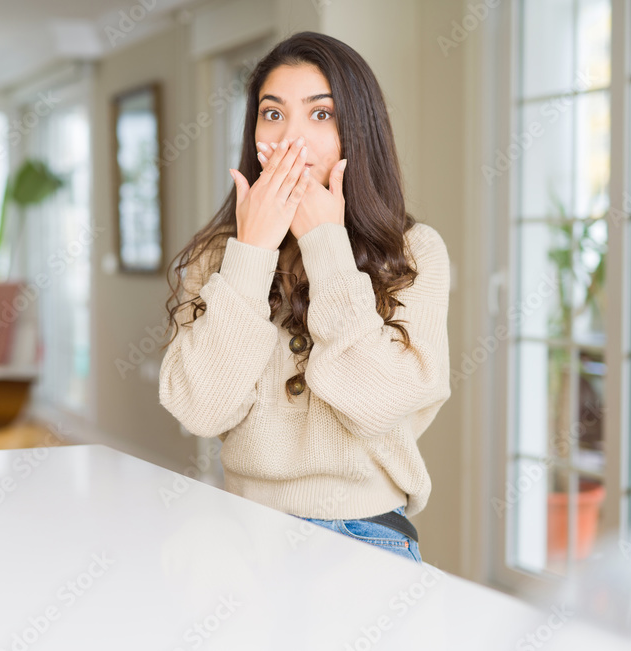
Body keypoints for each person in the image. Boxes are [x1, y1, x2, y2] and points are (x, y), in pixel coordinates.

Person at [158, 31, 451, 564]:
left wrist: (325, 245)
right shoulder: (218, 256)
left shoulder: (415, 252)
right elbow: (200, 410)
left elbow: (378, 406)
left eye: (321, 115)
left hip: (366, 535)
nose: (292, 138)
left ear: (356, 132)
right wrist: (251, 252)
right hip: (241, 531)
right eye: (273, 114)